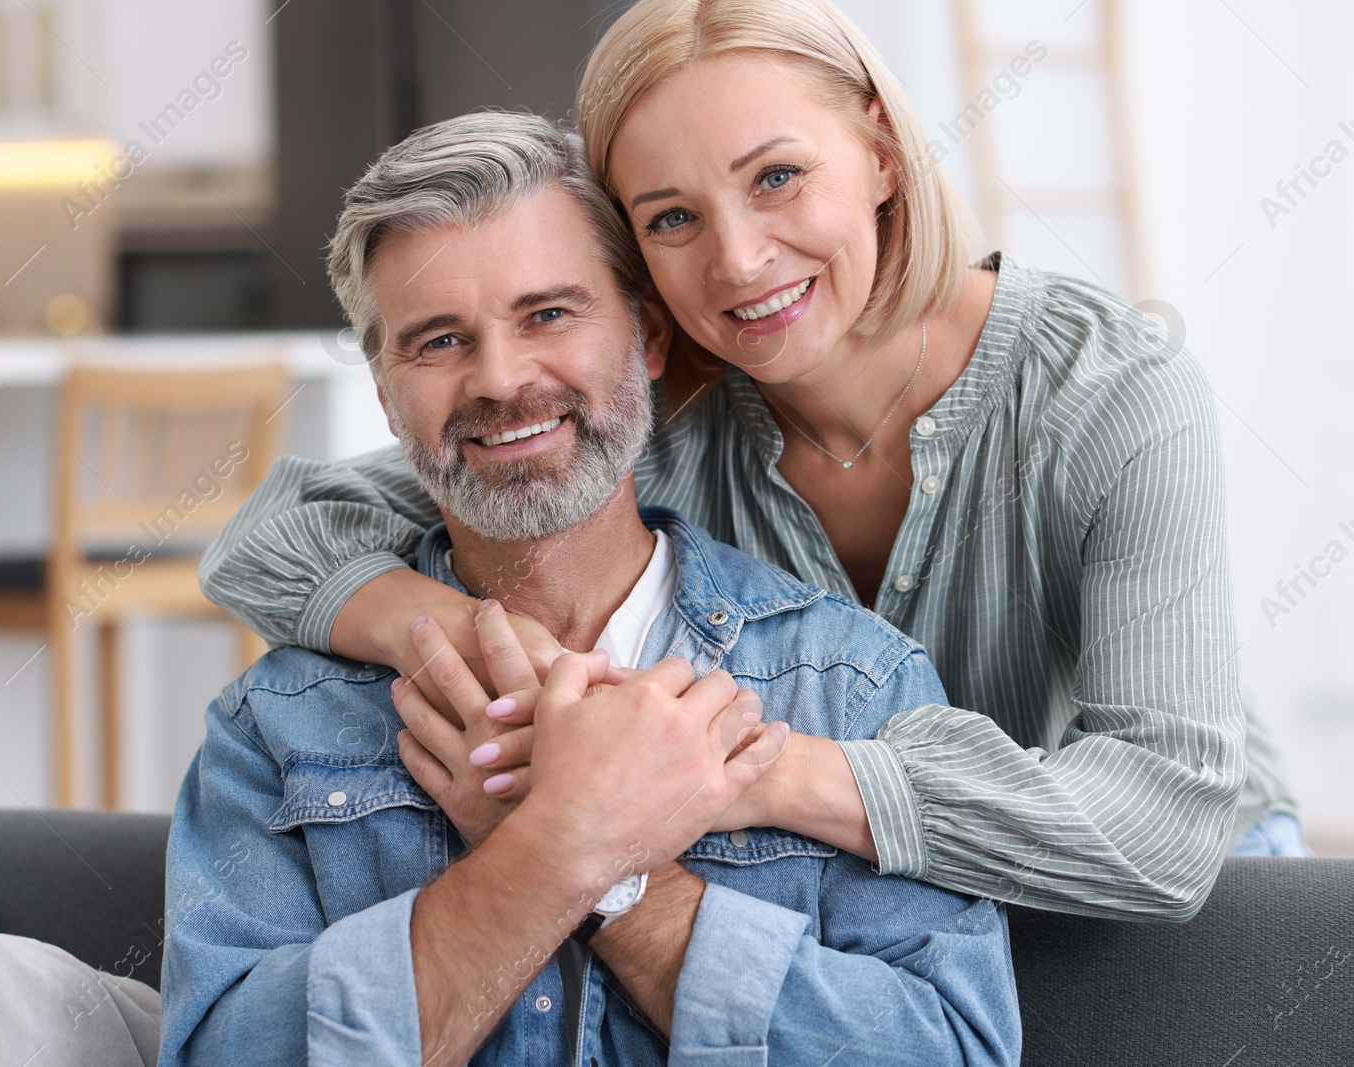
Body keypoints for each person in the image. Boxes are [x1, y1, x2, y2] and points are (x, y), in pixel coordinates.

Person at [199, 0, 1305, 922]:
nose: (737, 258)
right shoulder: (665, 421)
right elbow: (275, 535)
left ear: (877, 149)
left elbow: (1160, 825)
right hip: (895, 903)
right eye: (672, 216)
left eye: (775, 178)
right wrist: (487, 646)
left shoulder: (1108, 392)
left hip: (1173, 910)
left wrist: (730, 768)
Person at [159, 112, 1020, 1067]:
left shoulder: (852, 684)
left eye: (549, 315)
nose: (501, 377)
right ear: (383, 388)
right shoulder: (277, 726)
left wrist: (616, 880)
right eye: (438, 340)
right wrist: (558, 851)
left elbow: (950, 1051)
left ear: (649, 336)